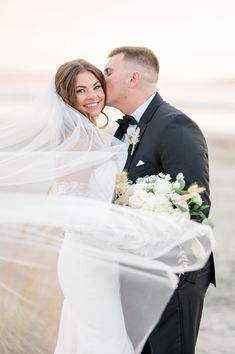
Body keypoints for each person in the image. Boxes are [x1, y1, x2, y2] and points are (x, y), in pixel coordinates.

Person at [104, 46, 216, 354]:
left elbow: (196, 204)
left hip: (172, 276)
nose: (103, 78)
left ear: (133, 78)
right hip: (136, 271)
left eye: (109, 71)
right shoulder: (125, 129)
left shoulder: (175, 126)